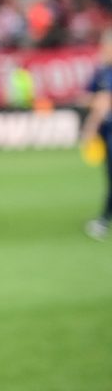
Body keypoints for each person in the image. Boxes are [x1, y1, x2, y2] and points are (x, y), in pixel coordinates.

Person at [80, 30, 112, 241]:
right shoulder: (102, 72)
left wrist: (90, 128)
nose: (104, 49)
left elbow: (103, 102)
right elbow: (85, 97)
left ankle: (103, 220)